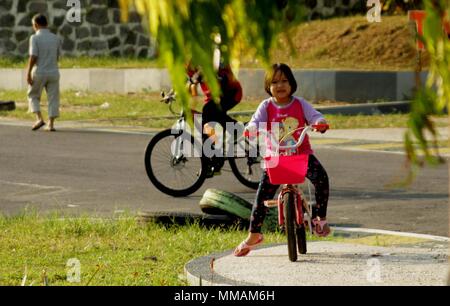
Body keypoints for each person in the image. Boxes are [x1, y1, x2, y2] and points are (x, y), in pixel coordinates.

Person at [233, 63, 330, 257]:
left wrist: (319, 123)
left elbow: (315, 116)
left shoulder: (300, 104)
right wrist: (251, 129)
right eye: (275, 81)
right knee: (262, 195)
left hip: (300, 155)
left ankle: (320, 218)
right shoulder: (266, 106)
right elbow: (255, 121)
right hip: (275, 159)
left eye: (284, 80)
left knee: (321, 179)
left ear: (292, 83)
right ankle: (254, 234)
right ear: (268, 85)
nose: (280, 85)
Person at [186, 62, 243, 175]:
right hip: (213, 97)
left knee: (208, 112)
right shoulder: (187, 64)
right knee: (204, 124)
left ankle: (236, 128)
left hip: (230, 92)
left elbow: (221, 73)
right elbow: (186, 82)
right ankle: (212, 162)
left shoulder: (208, 55)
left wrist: (201, 74)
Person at [26, 14, 61, 132]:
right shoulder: (55, 38)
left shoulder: (34, 38)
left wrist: (28, 72)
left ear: (36, 25)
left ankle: (39, 118)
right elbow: (57, 56)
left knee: (33, 95)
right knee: (53, 98)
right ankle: (51, 124)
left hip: (40, 71)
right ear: (46, 24)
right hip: (54, 72)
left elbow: (33, 56)